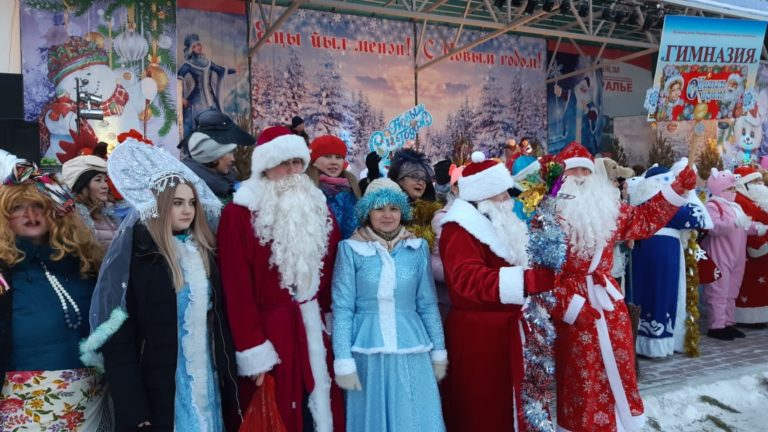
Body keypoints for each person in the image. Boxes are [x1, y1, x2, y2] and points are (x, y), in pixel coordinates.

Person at [91, 138, 240, 431]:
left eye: (192, 203)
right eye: (177, 203)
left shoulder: (203, 252)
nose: (187, 210)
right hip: (161, 387)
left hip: (206, 381)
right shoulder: (142, 256)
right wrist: (133, 405)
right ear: (159, 205)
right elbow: (120, 335)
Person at [550, 142, 696, 432]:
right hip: (573, 306)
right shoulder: (548, 216)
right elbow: (540, 271)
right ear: (561, 177)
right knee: (582, 372)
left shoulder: (608, 210)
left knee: (619, 365)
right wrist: (570, 305)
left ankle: (617, 423)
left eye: (586, 171)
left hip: (607, 301)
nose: (581, 177)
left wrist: (677, 189)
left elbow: (645, 219)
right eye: (573, 171)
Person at [216, 126, 344, 431]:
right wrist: (253, 350)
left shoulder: (317, 207)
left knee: (320, 411)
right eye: (283, 163)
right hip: (271, 335)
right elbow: (237, 289)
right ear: (265, 167)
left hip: (315, 330)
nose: (292, 170)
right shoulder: (239, 214)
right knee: (279, 414)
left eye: (297, 162)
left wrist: (330, 322)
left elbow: (331, 270)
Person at [438, 152, 555, 431]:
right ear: (484, 195)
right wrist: (525, 281)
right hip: (480, 338)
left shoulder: (496, 221)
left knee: (515, 404)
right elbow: (465, 280)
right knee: (486, 408)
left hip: (508, 332)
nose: (508, 199)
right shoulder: (459, 228)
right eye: (502, 193)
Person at [0, 161, 109, 431]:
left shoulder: (84, 262)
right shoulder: (4, 271)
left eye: (39, 206)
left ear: (55, 210)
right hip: (22, 399)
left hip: (89, 396)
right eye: (18, 207)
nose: (30, 215)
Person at [332, 178, 446, 431]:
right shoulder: (350, 250)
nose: (387, 215)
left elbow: (427, 304)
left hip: (413, 348)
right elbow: (343, 308)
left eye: (394, 208)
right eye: (379, 208)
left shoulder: (417, 248)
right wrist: (343, 359)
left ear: (402, 211)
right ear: (367, 212)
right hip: (368, 354)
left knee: (414, 417)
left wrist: (439, 351)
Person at [629, 163, 709, 358]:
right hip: (664, 251)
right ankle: (657, 345)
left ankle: (639, 340)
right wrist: (689, 194)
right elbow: (699, 217)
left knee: (643, 292)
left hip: (642, 250)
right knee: (663, 292)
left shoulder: (640, 201)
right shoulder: (667, 203)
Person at [701, 168, 766, 340]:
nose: (733, 191)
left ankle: (728, 322)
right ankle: (716, 326)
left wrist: (758, 228)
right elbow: (714, 227)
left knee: (732, 289)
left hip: (737, 254)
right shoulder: (712, 205)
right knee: (719, 290)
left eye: (733, 188)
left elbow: (744, 225)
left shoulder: (735, 206)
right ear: (720, 189)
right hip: (720, 253)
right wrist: (734, 223)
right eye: (729, 188)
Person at [181, 109, 256, 202]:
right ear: (213, 157)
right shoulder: (196, 192)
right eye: (229, 152)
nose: (233, 159)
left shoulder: (224, 183)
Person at [178, 34, 236, 137]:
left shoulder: (208, 63)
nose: (198, 47)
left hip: (211, 101)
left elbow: (220, 70)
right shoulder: (188, 64)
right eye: (194, 46)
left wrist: (235, 70)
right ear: (191, 49)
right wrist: (181, 98)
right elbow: (178, 78)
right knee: (194, 127)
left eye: (198, 45)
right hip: (196, 102)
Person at [307, 135, 361, 239]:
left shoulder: (352, 186)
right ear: (314, 162)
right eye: (327, 156)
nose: (334, 162)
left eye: (338, 157)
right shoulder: (306, 190)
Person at [734, 165, 768, 327]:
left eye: (760, 181)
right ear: (745, 184)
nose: (760, 185)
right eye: (755, 181)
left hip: (762, 248)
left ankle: (759, 316)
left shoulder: (755, 199)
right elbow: (748, 224)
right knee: (750, 286)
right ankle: (748, 318)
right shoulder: (741, 200)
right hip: (751, 250)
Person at [61, 155, 120, 248]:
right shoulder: (75, 218)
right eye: (98, 180)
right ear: (82, 186)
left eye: (105, 180)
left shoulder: (108, 210)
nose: (105, 186)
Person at [388, 148, 442, 248]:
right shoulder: (388, 210)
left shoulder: (433, 213)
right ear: (399, 180)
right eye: (414, 176)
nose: (420, 182)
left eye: (424, 178)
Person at [430, 164, 464, 319]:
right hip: (448, 297)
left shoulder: (478, 214)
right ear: (454, 188)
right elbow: (435, 261)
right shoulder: (443, 217)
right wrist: (463, 275)